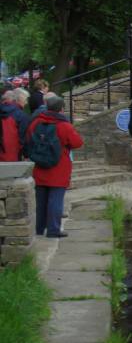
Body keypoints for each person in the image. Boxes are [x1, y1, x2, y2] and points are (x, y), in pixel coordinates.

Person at [26, 96, 83, 237]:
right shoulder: (64, 125)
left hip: (39, 165)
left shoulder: (36, 122)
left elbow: (29, 139)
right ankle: (53, 230)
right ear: (62, 109)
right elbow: (77, 143)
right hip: (59, 166)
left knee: (41, 201)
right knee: (56, 200)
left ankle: (39, 229)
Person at [0, 90, 30, 161]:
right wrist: (26, 155)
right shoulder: (21, 115)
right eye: (25, 99)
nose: (26, 102)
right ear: (19, 100)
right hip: (12, 153)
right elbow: (23, 137)